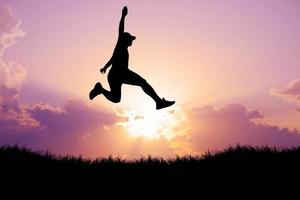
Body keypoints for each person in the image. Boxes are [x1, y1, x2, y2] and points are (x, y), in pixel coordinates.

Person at [89, 6, 175, 110]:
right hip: (119, 72)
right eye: (130, 39)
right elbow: (120, 30)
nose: (132, 41)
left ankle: (100, 90)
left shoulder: (122, 48)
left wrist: (105, 67)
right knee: (143, 82)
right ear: (125, 39)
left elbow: (113, 58)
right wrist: (123, 16)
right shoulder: (120, 43)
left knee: (116, 99)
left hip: (113, 75)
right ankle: (159, 102)